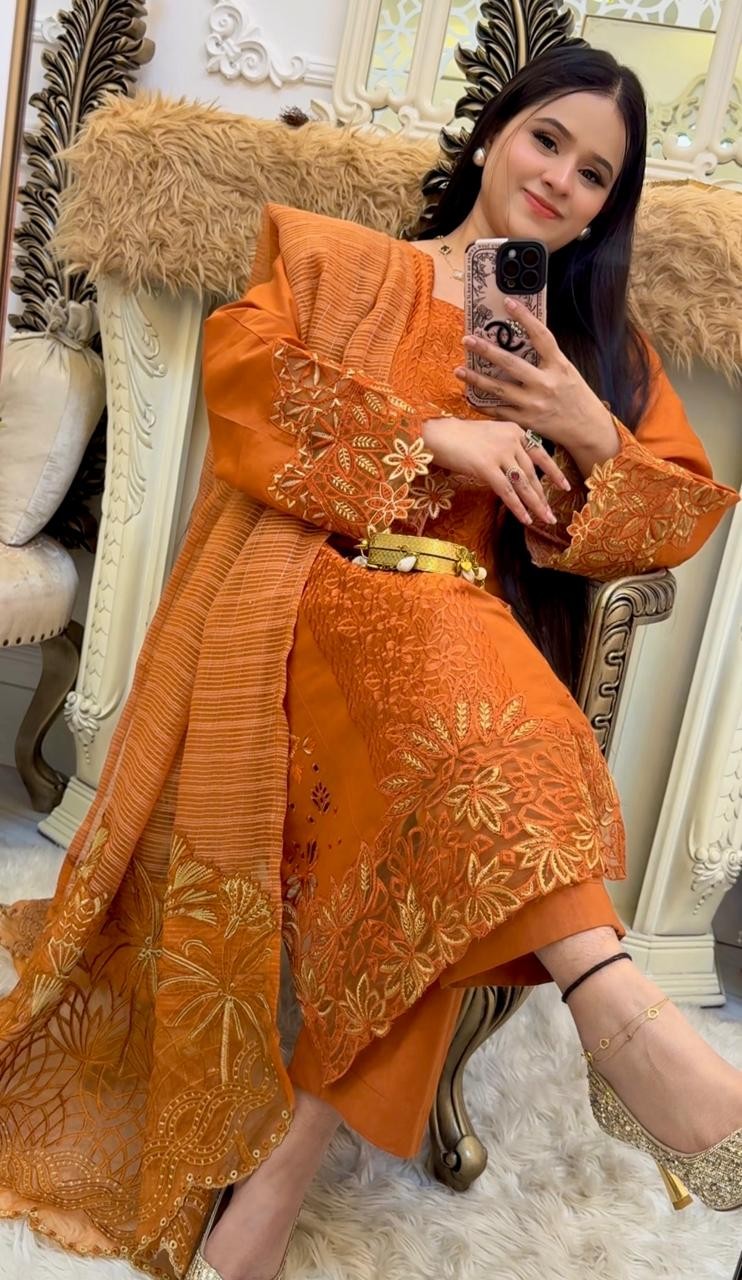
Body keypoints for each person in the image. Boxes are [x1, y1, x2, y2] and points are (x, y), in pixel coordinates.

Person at [0, 43, 738, 1280]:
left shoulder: (597, 350)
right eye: (547, 140)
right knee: (480, 730)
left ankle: (286, 1167)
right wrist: (435, 433)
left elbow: (674, 517)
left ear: (603, 211)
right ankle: (618, 1006)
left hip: (463, 644)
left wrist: (582, 422)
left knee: (465, 769)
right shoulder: (338, 262)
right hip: (314, 602)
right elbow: (246, 383)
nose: (559, 179)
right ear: (495, 132)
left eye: (594, 174)